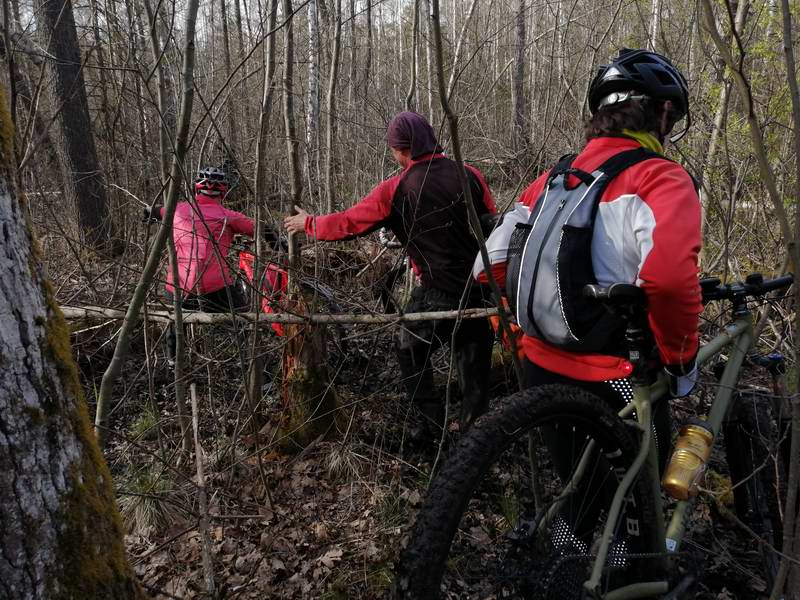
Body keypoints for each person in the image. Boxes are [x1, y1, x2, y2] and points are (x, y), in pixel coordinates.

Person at [473, 48, 702, 552]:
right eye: (674, 117)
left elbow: (487, 263)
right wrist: (681, 362)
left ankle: (562, 567)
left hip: (541, 373)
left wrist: (516, 329)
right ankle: (627, 569)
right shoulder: (660, 178)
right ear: (661, 114)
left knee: (582, 488)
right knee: (638, 495)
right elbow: (668, 280)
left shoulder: (556, 179)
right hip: (619, 381)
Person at [284, 111, 497, 436]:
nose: (393, 155)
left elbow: (349, 223)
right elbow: (493, 226)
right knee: (475, 368)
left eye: (393, 149)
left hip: (437, 293)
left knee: (409, 349)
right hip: (481, 290)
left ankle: (430, 429)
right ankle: (477, 437)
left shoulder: (397, 188)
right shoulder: (470, 175)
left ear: (403, 149)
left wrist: (309, 223)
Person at [145, 166, 255, 359]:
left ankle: (173, 363)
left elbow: (151, 211)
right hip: (215, 286)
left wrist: (148, 215)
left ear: (196, 189)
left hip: (178, 284)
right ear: (223, 191)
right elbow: (262, 229)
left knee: (176, 321)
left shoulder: (176, 209)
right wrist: (280, 244)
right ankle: (247, 361)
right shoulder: (228, 216)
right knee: (243, 318)